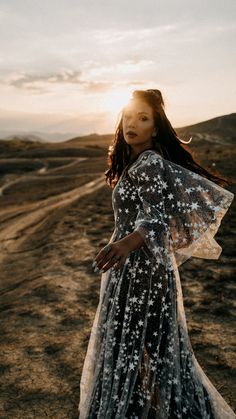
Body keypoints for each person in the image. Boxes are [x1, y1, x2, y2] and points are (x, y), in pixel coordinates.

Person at [78, 89, 236, 418]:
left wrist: (124, 244)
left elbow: (155, 219)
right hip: (133, 268)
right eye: (127, 116)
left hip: (141, 270)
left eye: (143, 118)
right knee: (150, 349)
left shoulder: (149, 162)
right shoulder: (136, 162)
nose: (132, 123)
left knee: (139, 348)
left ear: (155, 127)